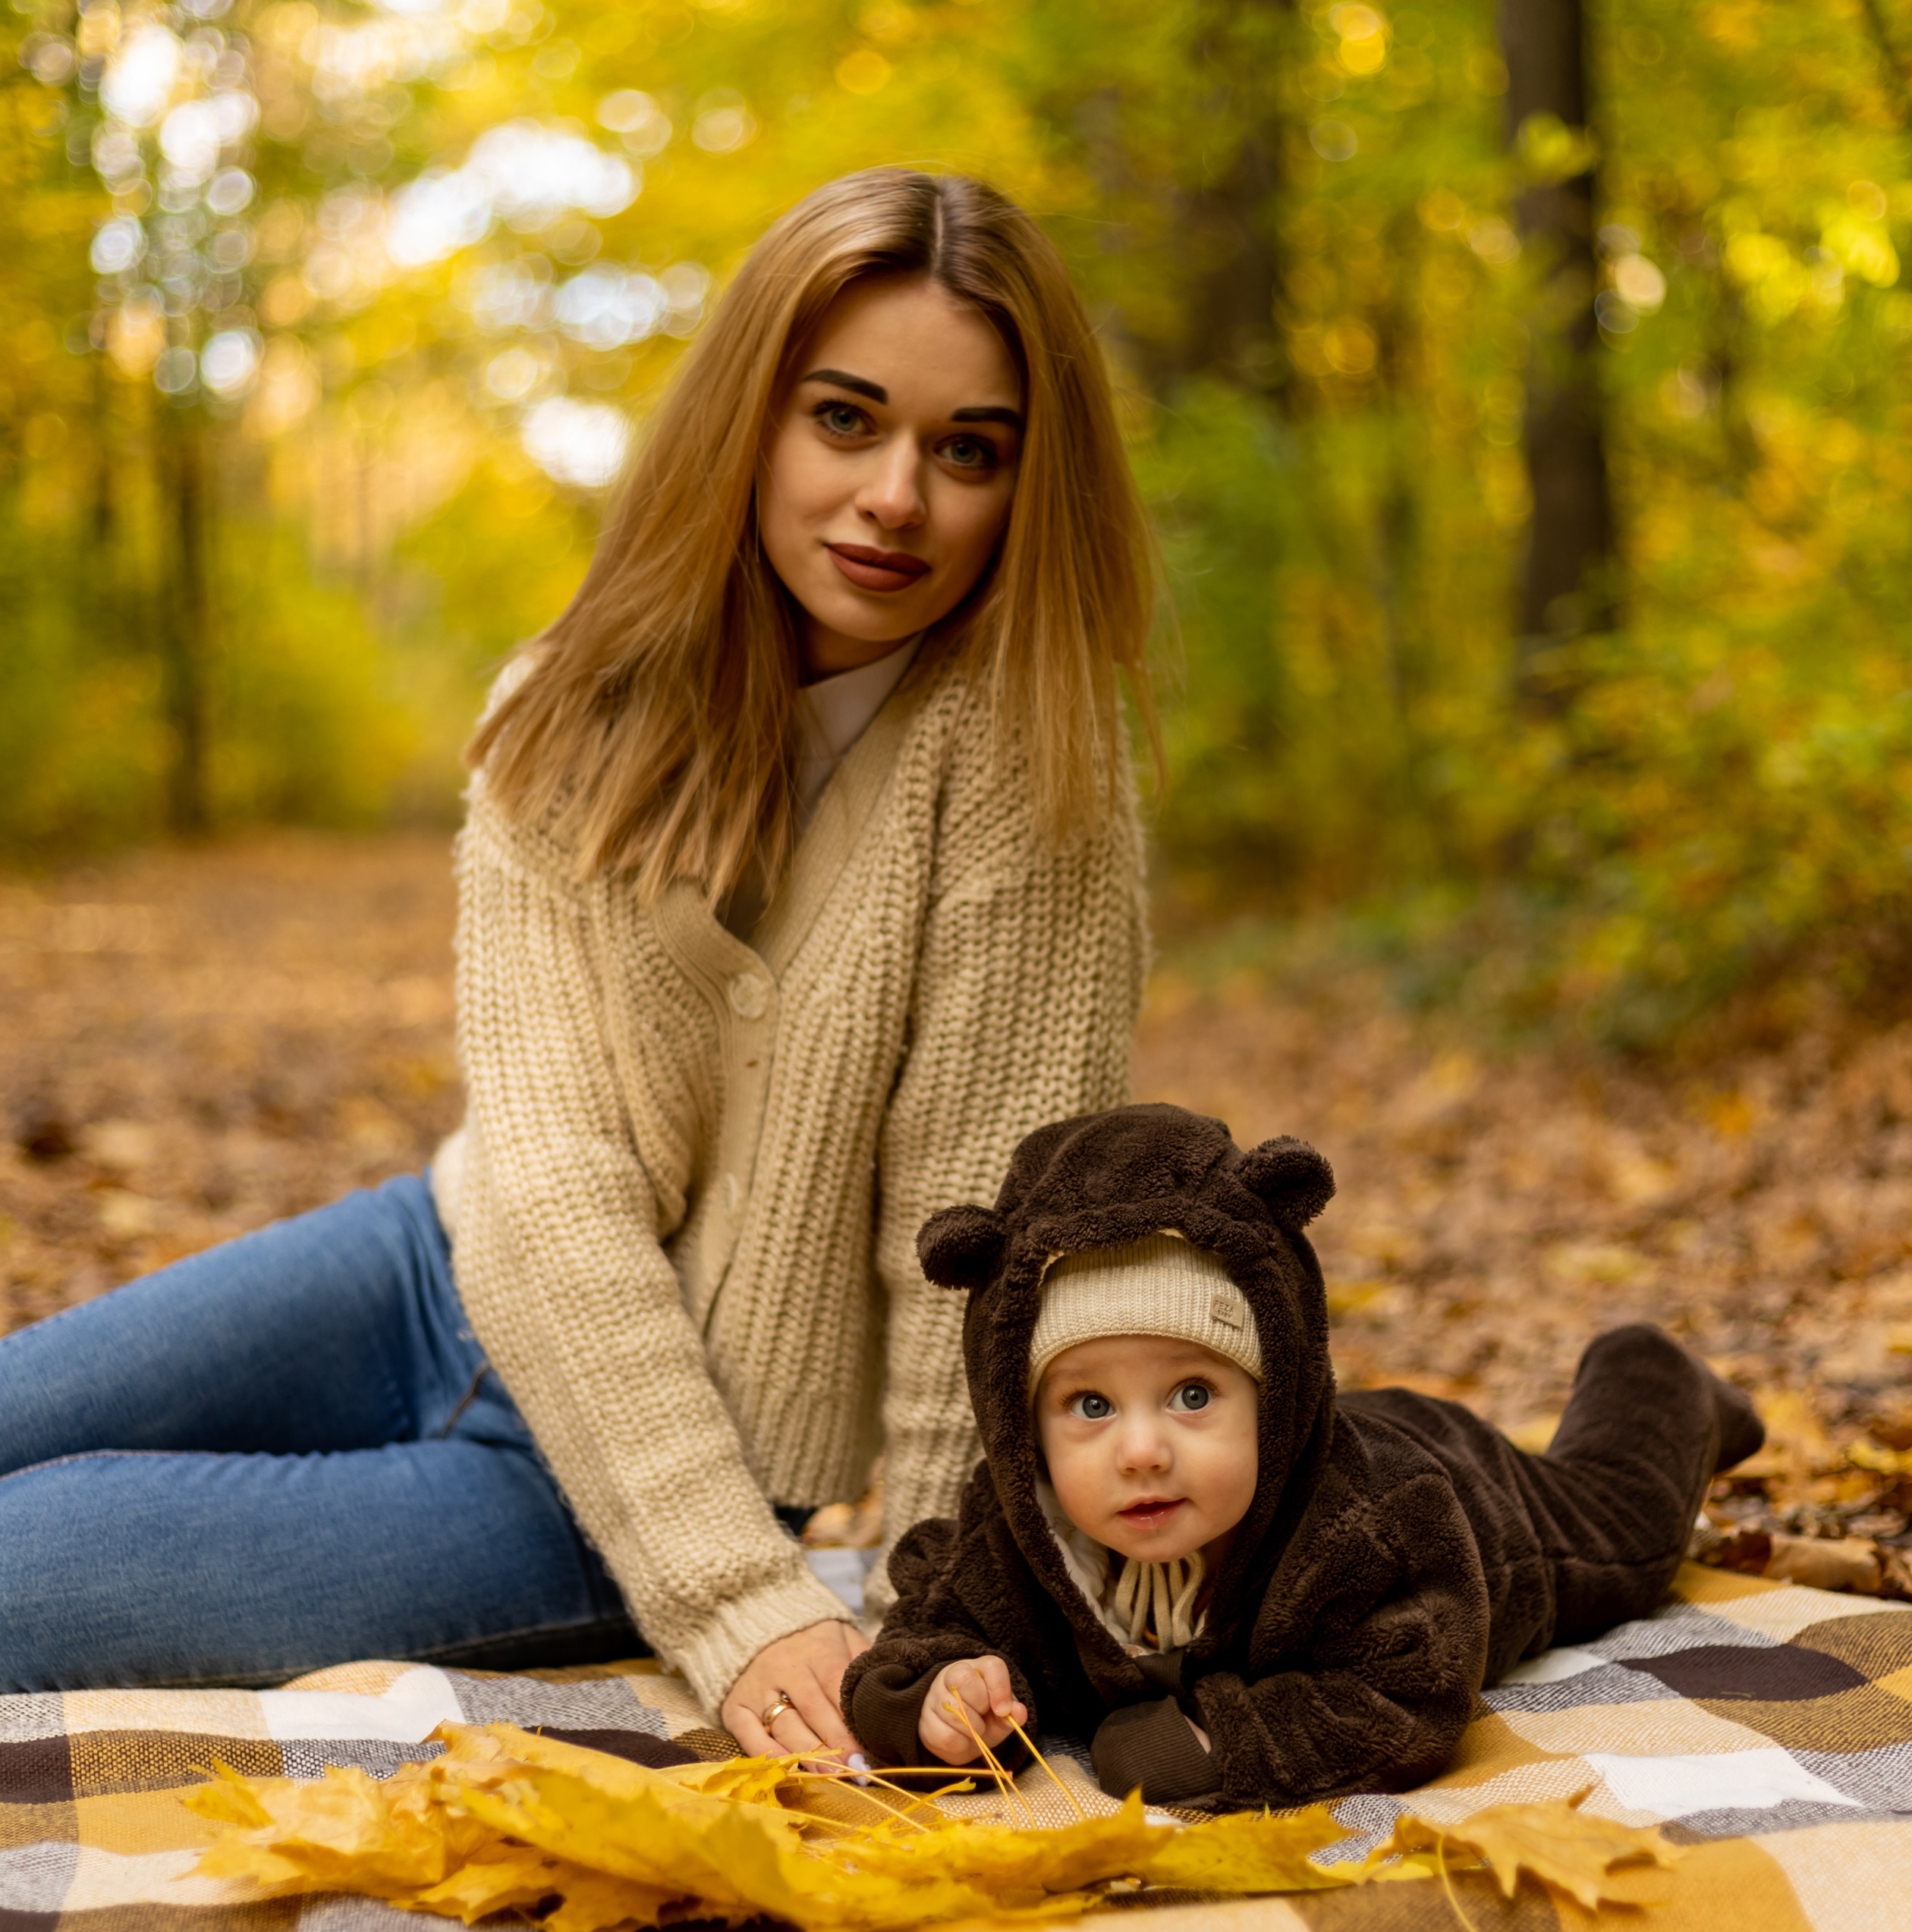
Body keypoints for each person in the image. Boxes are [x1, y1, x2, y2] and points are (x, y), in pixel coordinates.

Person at [0, 169, 1153, 1736]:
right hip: (432, 1269)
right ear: (750, 419)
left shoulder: (1035, 765)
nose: (897, 495)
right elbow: (549, 1183)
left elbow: (983, 1238)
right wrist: (744, 1605)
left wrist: (907, 1612)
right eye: (844, 419)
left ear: (1028, 486)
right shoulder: (570, 707)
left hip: (625, 1483)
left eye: (969, 451)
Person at [844, 1101, 1764, 1808]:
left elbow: (1406, 1692)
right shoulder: (1013, 1537)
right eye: (1090, 1405)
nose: (1142, 1451)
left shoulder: (1374, 1524)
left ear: (1271, 1397)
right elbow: (924, 1631)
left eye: (1192, 1395)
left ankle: (1653, 1375)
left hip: (1477, 1491)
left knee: (1630, 1522)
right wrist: (938, 1700)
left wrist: (1211, 1744)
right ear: (1024, 1433)